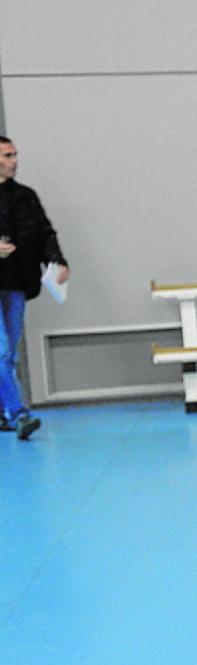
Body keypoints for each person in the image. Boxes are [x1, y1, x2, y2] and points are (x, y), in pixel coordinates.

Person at [0, 135, 69, 441]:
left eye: (15, 154)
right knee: (0, 352)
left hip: (16, 283)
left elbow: (44, 233)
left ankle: (4, 412)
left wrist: (57, 261)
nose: (14, 160)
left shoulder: (25, 196)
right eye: (7, 155)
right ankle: (19, 414)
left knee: (10, 354)